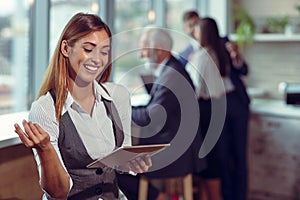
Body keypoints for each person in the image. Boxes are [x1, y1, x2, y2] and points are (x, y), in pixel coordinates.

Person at [13, 13, 152, 200]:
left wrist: (129, 163)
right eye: (88, 49)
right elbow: (58, 192)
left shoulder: (118, 96)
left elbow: (121, 155)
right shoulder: (45, 109)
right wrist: (44, 149)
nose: (97, 59)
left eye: (104, 52)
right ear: (65, 48)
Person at [186, 17, 232, 200]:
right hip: (216, 109)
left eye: (196, 29)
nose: (194, 32)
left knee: (208, 164)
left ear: (202, 32)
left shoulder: (203, 55)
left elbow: (194, 87)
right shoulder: (216, 53)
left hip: (205, 111)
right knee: (212, 162)